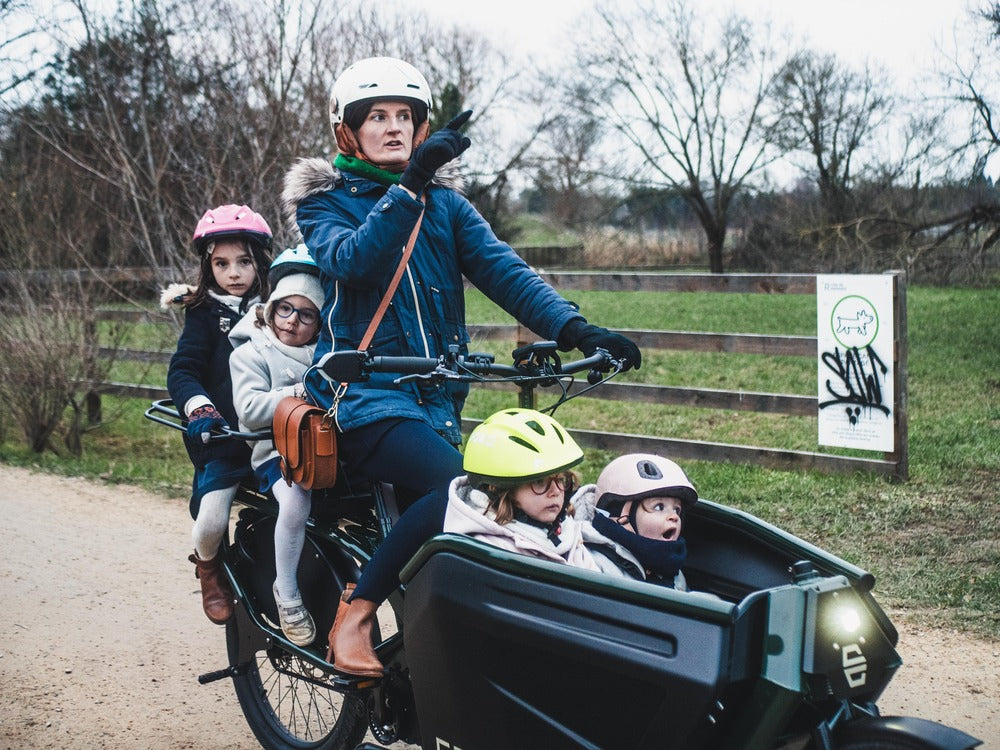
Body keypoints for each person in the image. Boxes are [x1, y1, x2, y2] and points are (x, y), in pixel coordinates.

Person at [281, 56, 641, 676]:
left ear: (421, 127)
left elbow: (505, 272)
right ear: (348, 131)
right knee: (459, 488)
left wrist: (576, 329)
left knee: (480, 521)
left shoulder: (446, 207)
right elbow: (354, 261)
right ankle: (355, 615)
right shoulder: (325, 204)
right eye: (376, 116)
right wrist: (411, 184)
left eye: (405, 116)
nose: (393, 127)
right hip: (361, 397)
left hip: (436, 399)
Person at [163, 204, 272, 624]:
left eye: (244, 261)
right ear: (209, 267)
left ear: (259, 262)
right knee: (211, 520)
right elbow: (183, 370)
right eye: (222, 264)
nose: (234, 273)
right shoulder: (204, 313)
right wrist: (200, 407)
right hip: (224, 437)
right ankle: (209, 567)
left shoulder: (278, 308)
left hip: (273, 432)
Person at [229, 252, 326, 646]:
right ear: (271, 309)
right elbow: (249, 410)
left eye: (306, 315)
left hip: (323, 451)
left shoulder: (323, 354)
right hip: (275, 454)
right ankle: (286, 591)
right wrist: (298, 393)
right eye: (285, 309)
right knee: (296, 501)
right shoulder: (251, 351)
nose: (292, 321)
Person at [442, 409, 606, 571]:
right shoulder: (487, 553)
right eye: (539, 482)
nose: (556, 491)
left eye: (561, 479)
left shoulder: (567, 530)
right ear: (499, 490)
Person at [572, 453, 698, 590]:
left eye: (677, 510)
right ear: (618, 515)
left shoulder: (673, 571)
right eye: (659, 507)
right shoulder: (593, 564)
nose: (674, 516)